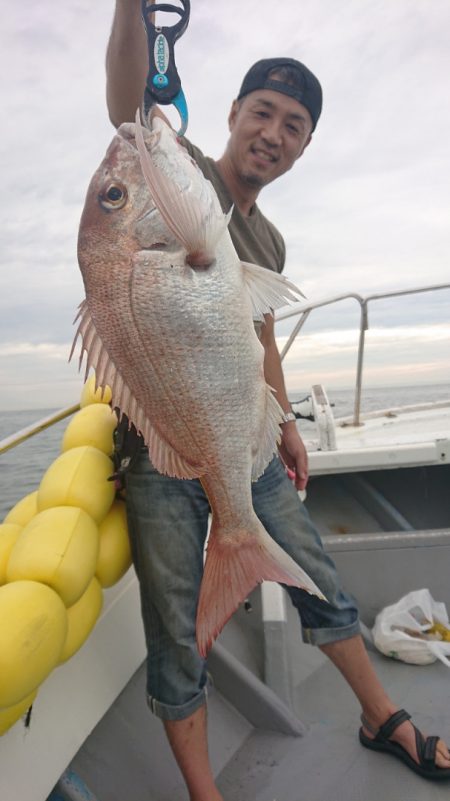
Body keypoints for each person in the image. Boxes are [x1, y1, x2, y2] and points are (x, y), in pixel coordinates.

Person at [105, 4, 450, 799]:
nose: (274, 132)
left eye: (294, 124)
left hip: (245, 437)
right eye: (262, 112)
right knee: (175, 626)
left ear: (303, 145)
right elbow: (129, 107)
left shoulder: (271, 240)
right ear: (229, 115)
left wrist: (287, 425)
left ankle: (380, 716)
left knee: (316, 573)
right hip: (161, 448)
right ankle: (206, 791)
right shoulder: (176, 175)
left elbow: (260, 342)